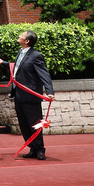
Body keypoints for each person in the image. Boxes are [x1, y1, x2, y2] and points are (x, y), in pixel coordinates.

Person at [11, 29, 55, 160]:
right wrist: (3, 63)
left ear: (27, 41)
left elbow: (44, 74)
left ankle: (40, 149)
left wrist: (49, 91)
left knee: (34, 124)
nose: (19, 36)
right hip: (19, 95)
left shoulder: (36, 56)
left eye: (22, 35)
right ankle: (32, 148)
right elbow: (18, 68)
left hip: (30, 96)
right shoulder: (20, 52)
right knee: (24, 125)